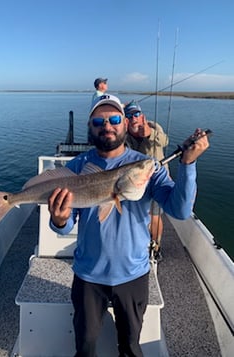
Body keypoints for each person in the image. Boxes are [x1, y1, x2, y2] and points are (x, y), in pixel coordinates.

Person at [48, 94, 209, 356]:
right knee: (85, 345)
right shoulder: (77, 167)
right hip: (88, 275)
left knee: (132, 347)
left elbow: (180, 210)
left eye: (114, 119)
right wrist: (60, 219)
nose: (107, 126)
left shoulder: (147, 166)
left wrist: (188, 164)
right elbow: (64, 227)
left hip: (133, 274)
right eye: (99, 120)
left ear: (124, 124)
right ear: (90, 126)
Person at [124, 100, 169, 260]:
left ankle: (156, 246)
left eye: (137, 114)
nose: (134, 118)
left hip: (156, 181)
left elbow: (165, 141)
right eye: (129, 115)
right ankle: (137, 244)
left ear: (142, 116)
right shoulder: (124, 136)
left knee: (154, 216)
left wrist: (149, 134)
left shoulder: (154, 127)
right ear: (125, 120)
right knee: (137, 215)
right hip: (136, 183)